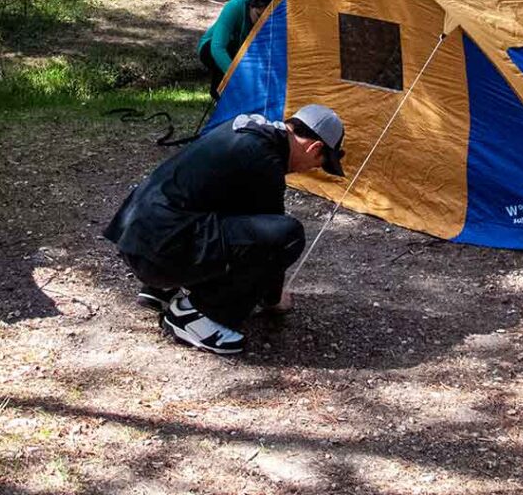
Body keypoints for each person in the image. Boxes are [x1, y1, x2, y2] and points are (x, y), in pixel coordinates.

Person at [103, 104, 346, 356]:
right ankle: (196, 317)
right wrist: (273, 298)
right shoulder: (265, 158)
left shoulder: (244, 129)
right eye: (318, 163)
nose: (309, 169)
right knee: (287, 235)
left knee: (228, 214)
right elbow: (270, 240)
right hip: (159, 255)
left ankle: (161, 289)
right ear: (314, 148)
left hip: (136, 240)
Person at [198, 0, 278, 97]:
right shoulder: (234, 7)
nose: (260, 23)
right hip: (210, 47)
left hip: (241, 51)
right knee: (231, 53)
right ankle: (220, 95)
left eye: (266, 19)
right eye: (258, 16)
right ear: (252, 5)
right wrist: (238, 76)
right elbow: (217, 47)